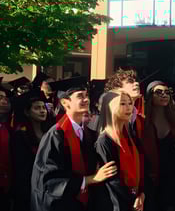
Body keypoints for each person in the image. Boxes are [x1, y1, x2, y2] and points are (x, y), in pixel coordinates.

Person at [31, 80, 117, 211]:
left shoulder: (88, 133)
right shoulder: (55, 135)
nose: (86, 99)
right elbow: (49, 180)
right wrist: (89, 180)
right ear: (65, 103)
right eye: (80, 96)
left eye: (86, 95)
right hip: (62, 204)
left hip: (85, 203)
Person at [94, 91, 145, 211]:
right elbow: (112, 179)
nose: (129, 107)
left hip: (135, 200)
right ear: (111, 107)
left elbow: (142, 167)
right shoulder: (104, 141)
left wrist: (142, 194)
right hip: (115, 203)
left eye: (130, 103)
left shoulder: (131, 136)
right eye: (122, 104)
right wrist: (133, 198)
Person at [142, 81, 175, 211]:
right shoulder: (142, 122)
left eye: (167, 92)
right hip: (150, 177)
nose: (164, 95)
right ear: (150, 96)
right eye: (159, 92)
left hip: (172, 177)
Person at [11, 89, 50, 211]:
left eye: (43, 107)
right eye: (37, 108)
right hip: (27, 187)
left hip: (47, 186)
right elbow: (20, 167)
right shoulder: (20, 135)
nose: (42, 111)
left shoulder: (50, 133)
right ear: (27, 112)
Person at [0, 85, 13, 210]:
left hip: (5, 184)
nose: (4, 101)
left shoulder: (5, 128)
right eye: (0, 98)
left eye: (5, 98)